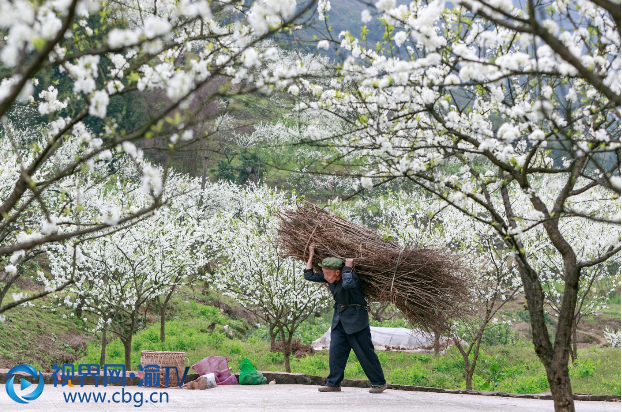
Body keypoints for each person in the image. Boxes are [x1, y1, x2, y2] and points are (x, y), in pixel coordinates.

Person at [303, 244, 387, 394]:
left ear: (338, 272)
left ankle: (379, 383)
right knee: (335, 351)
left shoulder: (351, 277)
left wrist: (348, 267)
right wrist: (311, 255)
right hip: (340, 319)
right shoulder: (330, 276)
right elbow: (308, 275)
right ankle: (333, 383)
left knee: (364, 352)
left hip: (356, 320)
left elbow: (347, 284)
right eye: (324, 273)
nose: (325, 277)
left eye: (328, 274)